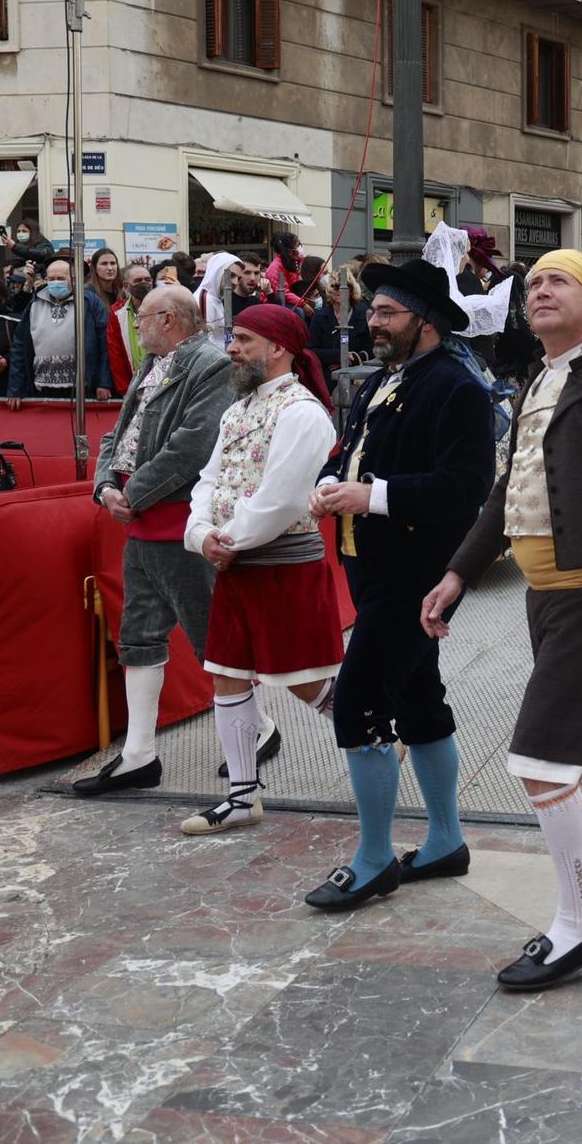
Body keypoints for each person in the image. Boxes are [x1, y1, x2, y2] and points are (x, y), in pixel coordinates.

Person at [425, 249, 582, 991]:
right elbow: (512, 489)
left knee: (539, 760)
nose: (538, 290)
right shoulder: (540, 375)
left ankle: (576, 923)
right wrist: (459, 571)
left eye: (555, 280)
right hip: (548, 599)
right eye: (531, 283)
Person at [302, 261, 496, 911]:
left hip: (416, 575)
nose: (372, 320)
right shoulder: (387, 380)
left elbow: (465, 489)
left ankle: (374, 859)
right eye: (373, 310)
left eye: (386, 312)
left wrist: (372, 494)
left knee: (359, 703)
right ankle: (445, 840)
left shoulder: (455, 388)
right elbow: (354, 453)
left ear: (426, 321)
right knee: (418, 700)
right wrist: (333, 484)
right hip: (374, 569)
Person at [179, 305, 346, 835]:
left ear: (277, 348)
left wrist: (232, 540)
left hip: (283, 568)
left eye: (244, 339)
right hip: (236, 563)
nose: (232, 348)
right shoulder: (237, 410)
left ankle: (375, 734)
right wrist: (202, 534)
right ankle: (242, 796)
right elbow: (209, 479)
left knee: (302, 680)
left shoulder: (302, 413)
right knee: (225, 673)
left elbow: (283, 497)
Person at [75, 286, 236, 797]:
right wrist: (105, 486)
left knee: (211, 638)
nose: (134, 326)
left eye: (140, 317)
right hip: (141, 521)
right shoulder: (154, 364)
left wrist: (134, 492)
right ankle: (139, 754)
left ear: (168, 319)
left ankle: (256, 734)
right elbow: (115, 437)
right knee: (138, 635)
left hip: (178, 522)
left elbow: (194, 443)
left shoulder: (209, 366)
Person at [7, 258, 111, 402]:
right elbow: (20, 346)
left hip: (82, 388)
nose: (55, 282)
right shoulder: (35, 303)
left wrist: (103, 382)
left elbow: (105, 344)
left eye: (61, 278)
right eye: (51, 279)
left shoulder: (90, 302)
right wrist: (15, 389)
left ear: (74, 279)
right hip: (41, 388)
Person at [106, 261, 157, 394]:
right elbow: (115, 352)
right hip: (133, 381)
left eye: (147, 279)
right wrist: (125, 390)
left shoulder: (164, 307)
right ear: (126, 286)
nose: (144, 283)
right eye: (138, 280)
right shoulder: (118, 312)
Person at [87, 248, 124, 312]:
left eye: (113, 263)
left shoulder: (123, 292)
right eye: (104, 264)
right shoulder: (88, 294)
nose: (110, 268)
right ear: (95, 268)